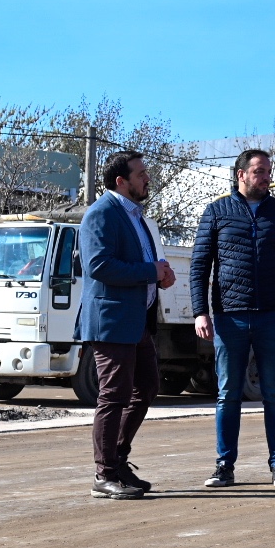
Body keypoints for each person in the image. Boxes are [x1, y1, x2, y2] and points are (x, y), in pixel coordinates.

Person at [190, 149, 275, 489]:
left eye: (268, 171)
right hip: (230, 319)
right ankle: (224, 466)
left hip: (273, 318)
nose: (266, 177)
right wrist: (201, 312)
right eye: (259, 171)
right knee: (228, 394)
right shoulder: (216, 212)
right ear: (241, 174)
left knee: (274, 393)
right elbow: (200, 267)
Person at [78, 150, 176, 500]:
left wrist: (161, 271)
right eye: (141, 174)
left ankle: (117, 461)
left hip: (137, 322)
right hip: (112, 322)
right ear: (121, 180)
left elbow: (143, 260)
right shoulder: (101, 214)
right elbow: (99, 266)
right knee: (114, 395)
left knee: (147, 387)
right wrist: (151, 272)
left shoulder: (135, 216)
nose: (147, 178)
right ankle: (104, 474)